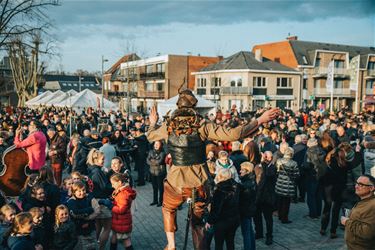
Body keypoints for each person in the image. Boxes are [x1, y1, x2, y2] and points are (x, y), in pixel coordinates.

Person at [147, 88, 278, 250]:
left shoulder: (168, 125)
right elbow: (234, 134)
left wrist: (153, 122)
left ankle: (172, 244)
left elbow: (150, 135)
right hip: (198, 183)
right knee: (198, 224)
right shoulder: (202, 124)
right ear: (193, 106)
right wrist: (259, 120)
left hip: (176, 183)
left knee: (168, 208)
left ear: (178, 107)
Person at [205, 169, 240, 250]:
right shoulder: (237, 186)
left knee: (219, 244)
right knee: (230, 242)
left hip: (222, 222)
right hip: (234, 219)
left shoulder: (220, 190)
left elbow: (216, 209)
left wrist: (209, 221)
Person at [86, 148, 113, 250]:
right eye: (102, 159)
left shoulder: (92, 169)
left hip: (96, 201)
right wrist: (115, 187)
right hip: (102, 202)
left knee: (98, 226)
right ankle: (100, 248)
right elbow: (104, 188)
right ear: (95, 160)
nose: (104, 161)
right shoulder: (97, 172)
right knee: (107, 228)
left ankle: (95, 245)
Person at [341, 175, 375, 250]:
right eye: (356, 183)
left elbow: (367, 232)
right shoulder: (363, 200)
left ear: (371, 188)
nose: (356, 186)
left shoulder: (372, 205)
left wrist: (347, 222)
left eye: (361, 185)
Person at [254, 151, 276, 245]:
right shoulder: (257, 166)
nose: (265, 158)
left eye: (267, 157)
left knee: (268, 218)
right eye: (264, 156)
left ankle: (269, 236)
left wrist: (263, 163)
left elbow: (268, 175)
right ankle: (259, 233)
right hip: (258, 196)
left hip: (267, 197)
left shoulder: (272, 167)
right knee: (257, 216)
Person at [110, 173, 137, 250]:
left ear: (119, 182)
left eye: (113, 183)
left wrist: (111, 206)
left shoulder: (123, 194)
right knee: (114, 236)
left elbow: (121, 210)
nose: (112, 186)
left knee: (126, 240)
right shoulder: (121, 191)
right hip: (119, 220)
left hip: (122, 221)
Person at [275, 147, 299, 224]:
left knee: (280, 200)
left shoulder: (279, 161)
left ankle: (280, 215)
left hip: (279, 183)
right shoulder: (294, 163)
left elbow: (276, 172)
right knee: (286, 202)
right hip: (288, 185)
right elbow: (296, 175)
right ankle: (284, 218)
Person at [238, 162, 257, 250]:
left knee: (246, 232)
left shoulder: (245, 183)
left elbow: (243, 197)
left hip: (245, 209)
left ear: (247, 170)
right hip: (250, 208)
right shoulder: (252, 179)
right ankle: (252, 247)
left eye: (241, 169)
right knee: (249, 230)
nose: (240, 171)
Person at [146, 140, 167, 207]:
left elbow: (159, 162)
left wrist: (152, 160)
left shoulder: (163, 152)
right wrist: (154, 161)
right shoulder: (151, 151)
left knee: (160, 188)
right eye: (155, 144)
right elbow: (147, 160)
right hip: (152, 172)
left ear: (161, 145)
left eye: (158, 144)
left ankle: (161, 201)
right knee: (154, 187)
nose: (156, 145)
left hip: (160, 172)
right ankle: (155, 201)